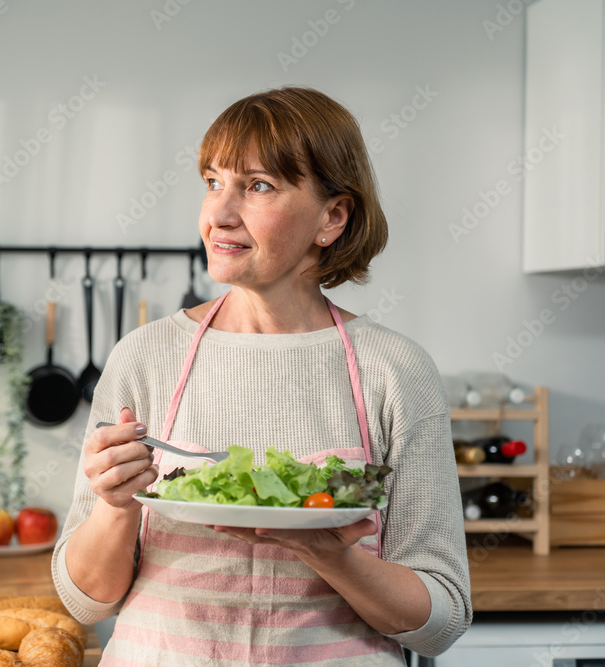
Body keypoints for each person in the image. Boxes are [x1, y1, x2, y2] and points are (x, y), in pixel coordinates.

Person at [51, 87, 471, 665]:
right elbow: (84, 601)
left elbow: (440, 620)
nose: (218, 214)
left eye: (258, 186)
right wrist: (116, 506)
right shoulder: (144, 356)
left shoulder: (395, 371)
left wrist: (331, 556)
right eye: (212, 181)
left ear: (332, 217)